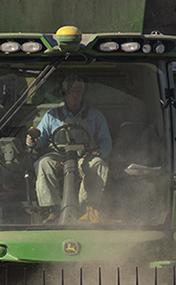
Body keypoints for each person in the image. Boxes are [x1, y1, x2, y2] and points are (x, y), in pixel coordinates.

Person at [26, 76, 112, 218]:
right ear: (64, 93)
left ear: (83, 93)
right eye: (72, 91)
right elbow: (41, 138)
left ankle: (87, 210)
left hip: (85, 155)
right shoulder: (52, 115)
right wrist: (33, 142)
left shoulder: (95, 116)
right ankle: (51, 210)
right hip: (58, 154)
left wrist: (100, 152)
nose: (75, 95)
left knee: (98, 165)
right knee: (43, 163)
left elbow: (106, 141)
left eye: (78, 91)